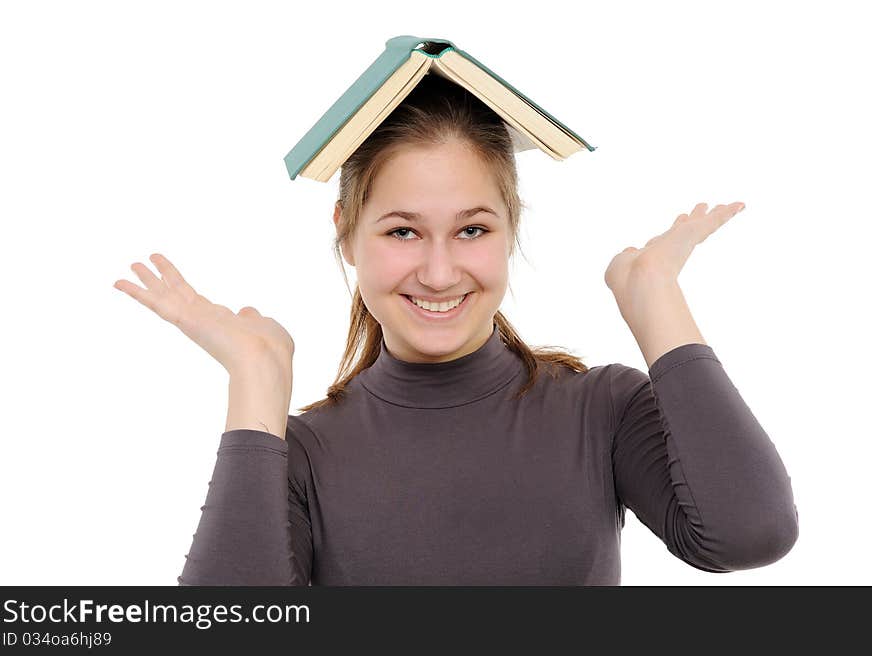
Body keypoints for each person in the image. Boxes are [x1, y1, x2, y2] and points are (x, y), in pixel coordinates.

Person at [114, 74, 799, 585]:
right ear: (347, 234)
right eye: (403, 231)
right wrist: (256, 386)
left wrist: (657, 305)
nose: (439, 273)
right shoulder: (302, 453)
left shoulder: (601, 409)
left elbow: (749, 534)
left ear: (510, 231)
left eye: (472, 229)